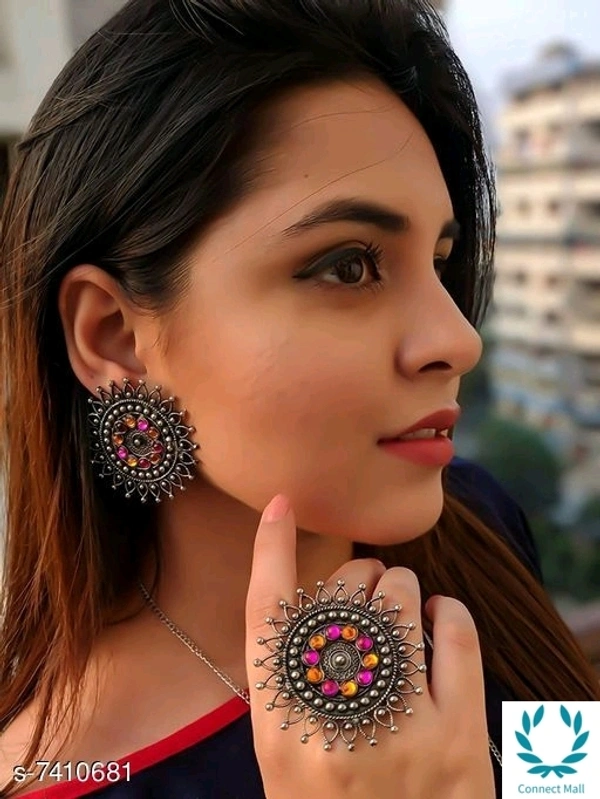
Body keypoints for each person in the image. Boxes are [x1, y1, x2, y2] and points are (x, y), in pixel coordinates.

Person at [0, 0, 599, 796]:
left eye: (440, 260)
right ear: (114, 336)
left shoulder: (479, 530)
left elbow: (567, 777)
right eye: (349, 265)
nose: (459, 339)